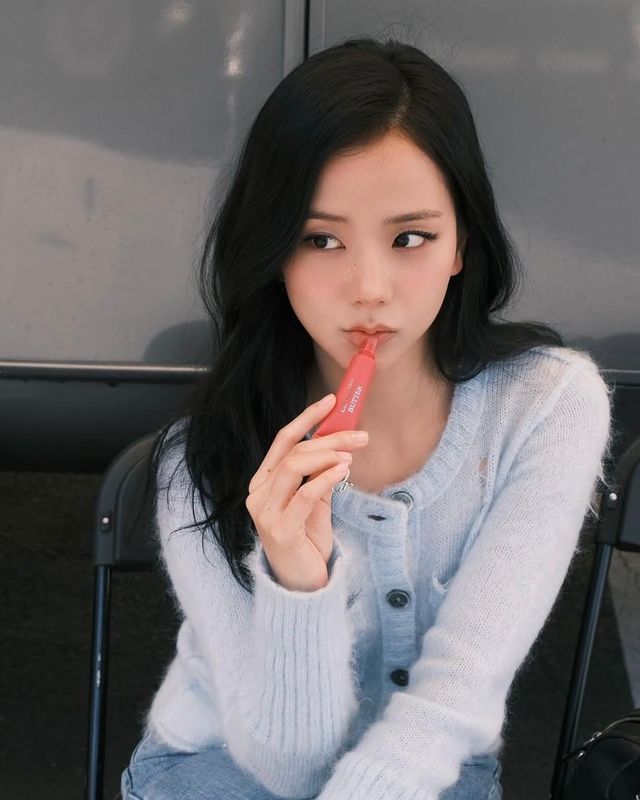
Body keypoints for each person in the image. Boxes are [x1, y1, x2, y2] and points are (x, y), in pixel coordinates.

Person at [120, 35, 615, 800]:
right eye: (320, 239)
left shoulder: (544, 408)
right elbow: (285, 768)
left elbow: (453, 700)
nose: (370, 287)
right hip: (218, 766)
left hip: (433, 767)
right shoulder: (201, 460)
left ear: (462, 244)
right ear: (273, 252)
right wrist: (298, 581)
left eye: (410, 237)